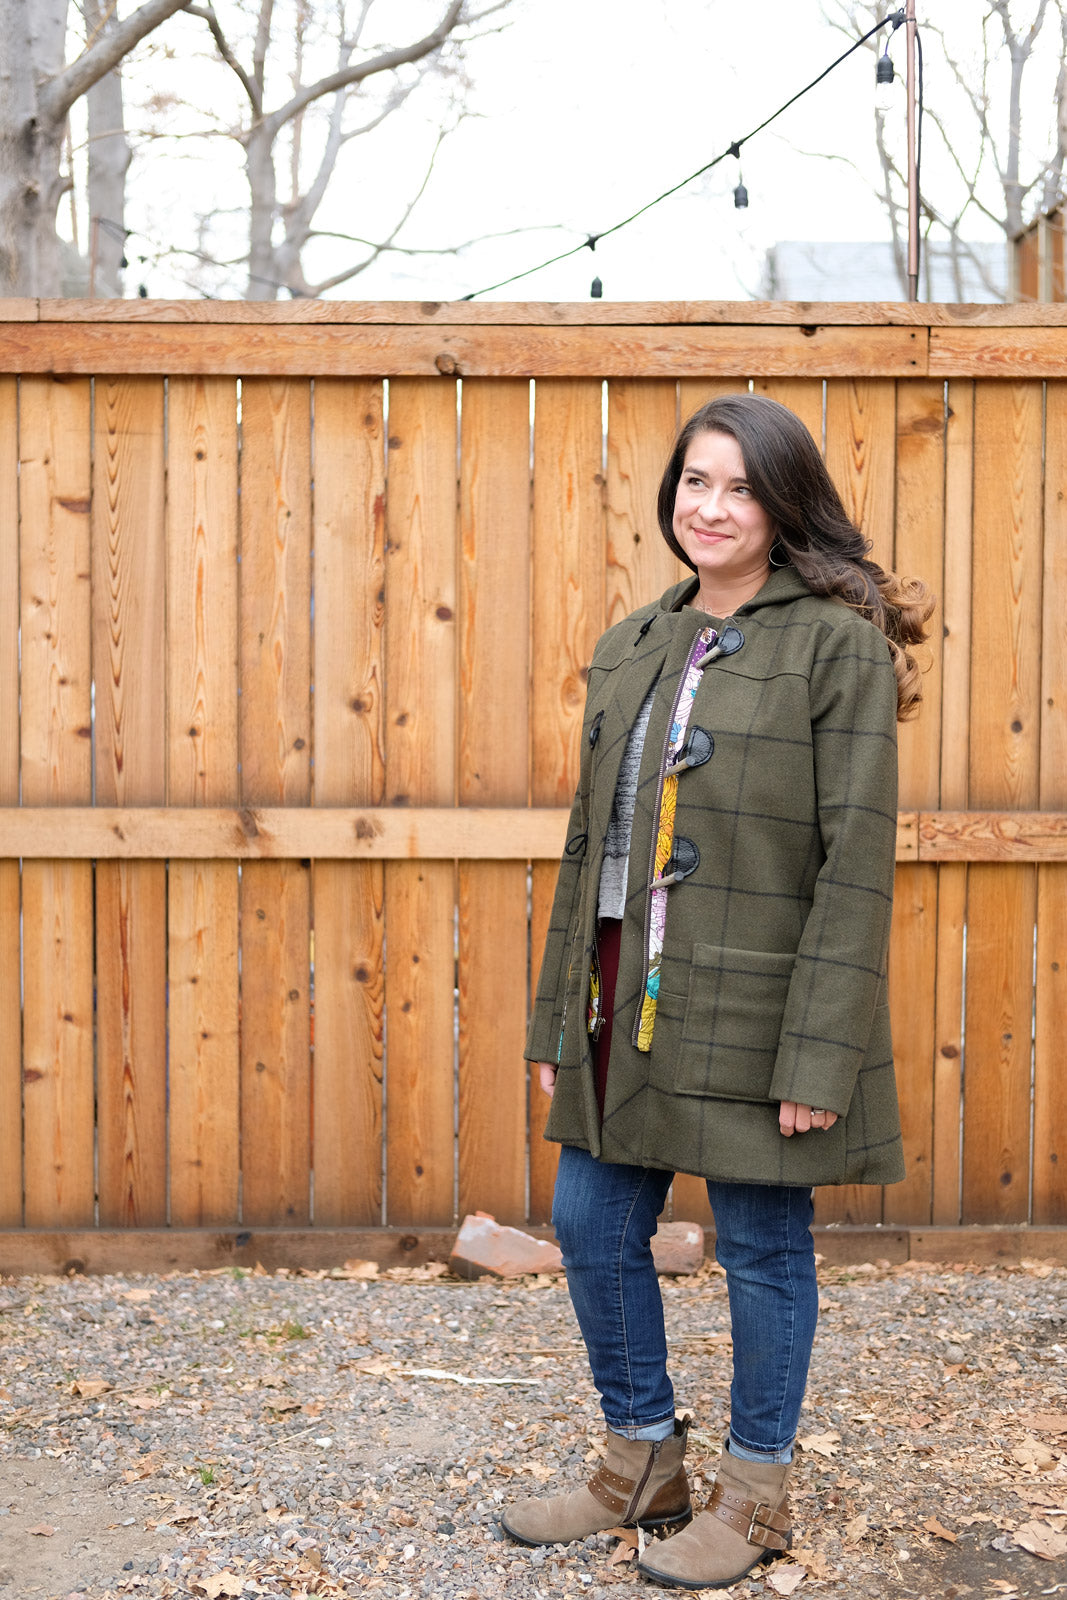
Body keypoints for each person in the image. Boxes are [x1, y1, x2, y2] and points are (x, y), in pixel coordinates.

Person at [501, 393, 934, 1589]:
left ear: (783, 504)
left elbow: (856, 859)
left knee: (757, 1242)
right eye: (695, 481)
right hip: (619, 1001)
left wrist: (820, 1051)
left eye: (739, 487)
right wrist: (555, 1014)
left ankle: (753, 1494)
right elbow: (590, 843)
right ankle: (637, 1458)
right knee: (589, 1223)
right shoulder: (635, 639)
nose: (710, 506)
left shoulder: (832, 645)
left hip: (761, 1001)